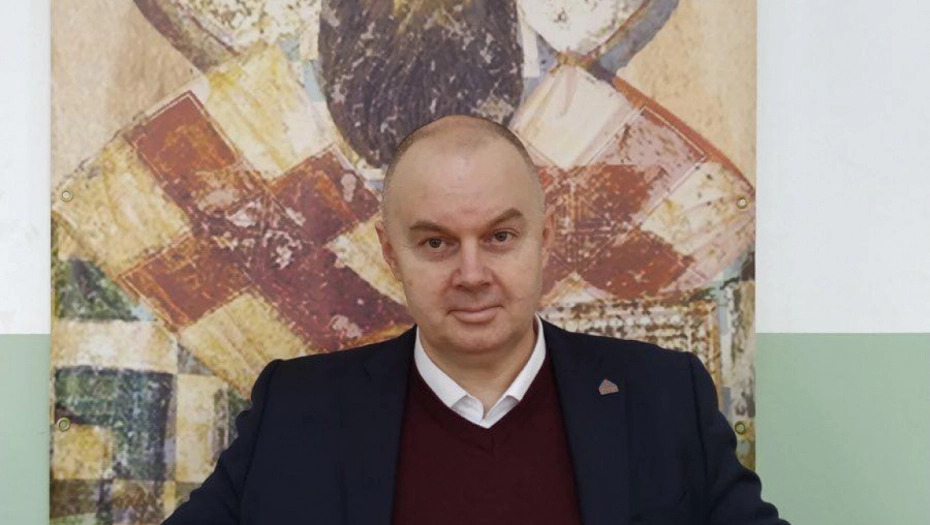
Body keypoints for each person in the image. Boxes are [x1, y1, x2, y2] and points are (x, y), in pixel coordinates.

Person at [163, 115, 788, 525]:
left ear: (544, 239)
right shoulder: (296, 409)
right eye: (436, 243)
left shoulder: (663, 395)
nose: (471, 273)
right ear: (391, 253)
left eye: (500, 237)